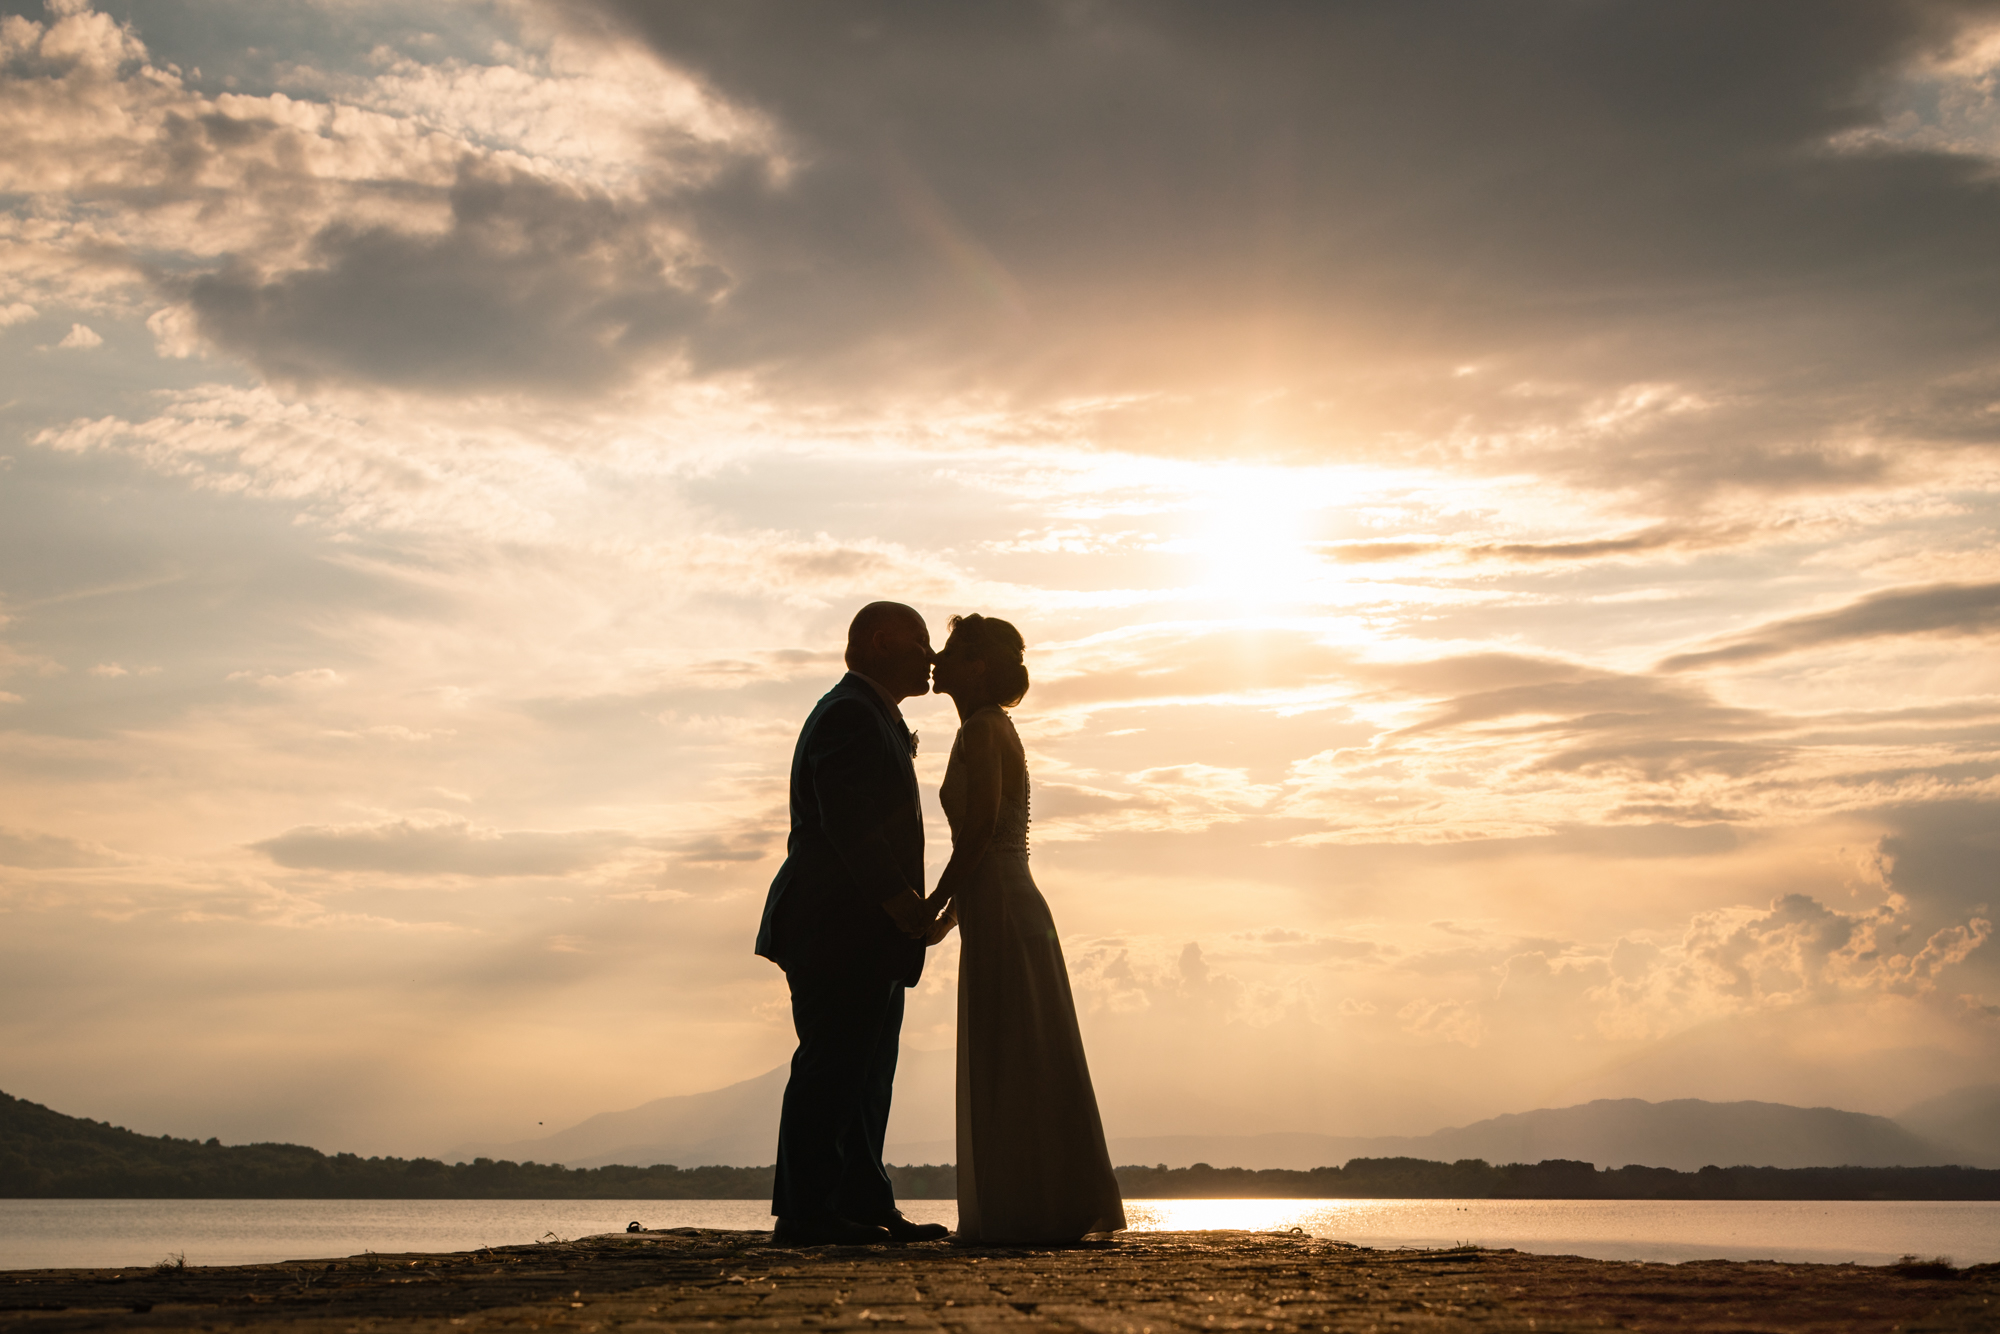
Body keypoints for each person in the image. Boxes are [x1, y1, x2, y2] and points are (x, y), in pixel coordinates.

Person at [754, 601, 952, 1247]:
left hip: (866, 932)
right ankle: (806, 1213)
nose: (931, 659)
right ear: (882, 640)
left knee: (867, 1074)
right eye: (921, 644)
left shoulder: (870, 714)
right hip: (835, 926)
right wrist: (901, 902)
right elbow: (847, 821)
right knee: (832, 1069)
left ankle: (864, 1204)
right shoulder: (848, 713)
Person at [924, 613, 1126, 1243]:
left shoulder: (984, 729)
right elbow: (982, 839)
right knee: (1014, 1053)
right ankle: (1031, 1202)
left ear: (977, 668)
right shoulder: (985, 728)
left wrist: (933, 904)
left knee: (1014, 1052)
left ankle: (1031, 1208)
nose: (936, 658)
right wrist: (954, 915)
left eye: (950, 651)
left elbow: (982, 830)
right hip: (997, 905)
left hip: (1007, 908)